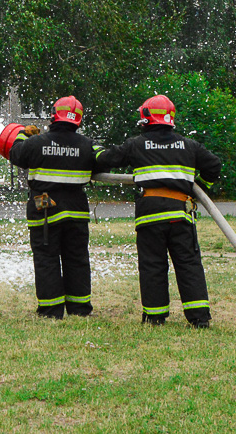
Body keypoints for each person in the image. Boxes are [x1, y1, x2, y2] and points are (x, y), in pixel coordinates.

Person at [95, 94, 221, 328]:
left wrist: (91, 152)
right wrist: (199, 188)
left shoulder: (136, 144)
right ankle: (199, 318)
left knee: (152, 264)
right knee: (188, 263)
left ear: (146, 118)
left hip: (150, 215)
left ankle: (155, 317)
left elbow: (106, 159)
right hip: (180, 213)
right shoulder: (188, 145)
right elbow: (214, 165)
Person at [0, 96, 103, 319]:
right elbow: (104, 159)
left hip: (45, 210)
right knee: (77, 259)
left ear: (54, 115)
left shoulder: (36, 142)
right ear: (79, 120)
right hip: (76, 212)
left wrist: (22, 134)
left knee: (47, 258)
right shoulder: (87, 145)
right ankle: (80, 309)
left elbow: (15, 153)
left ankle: (51, 310)